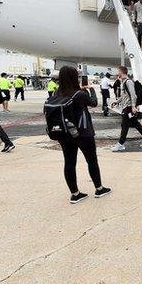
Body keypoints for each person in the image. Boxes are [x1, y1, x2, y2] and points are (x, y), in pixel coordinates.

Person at [52, 66, 111, 204]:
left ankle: (75, 194)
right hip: (82, 133)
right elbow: (94, 103)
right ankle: (99, 188)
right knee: (91, 161)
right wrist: (91, 90)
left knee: (69, 162)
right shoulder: (79, 94)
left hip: (64, 133)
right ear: (74, 78)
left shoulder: (57, 93)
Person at [110, 66, 142, 151]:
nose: (117, 73)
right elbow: (123, 96)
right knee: (135, 123)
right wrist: (117, 102)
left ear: (121, 72)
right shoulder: (123, 82)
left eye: (118, 71)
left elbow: (133, 95)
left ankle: (120, 144)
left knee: (124, 125)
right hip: (127, 106)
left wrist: (133, 106)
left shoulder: (128, 82)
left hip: (129, 108)